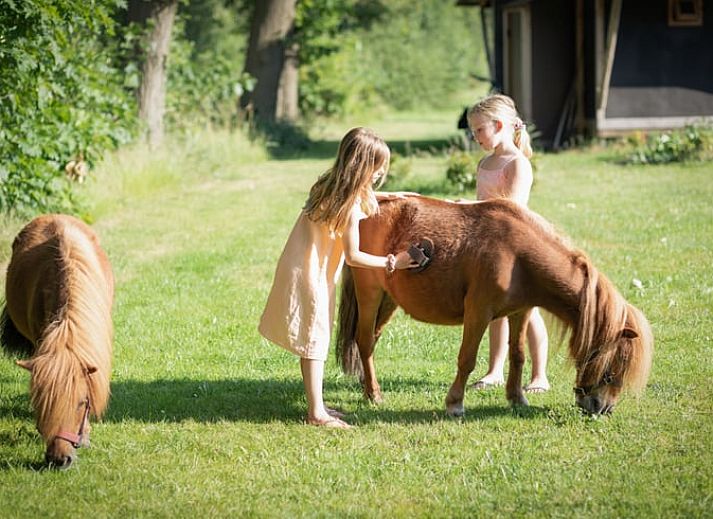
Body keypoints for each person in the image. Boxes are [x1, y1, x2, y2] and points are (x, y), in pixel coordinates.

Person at [258, 127, 419, 429]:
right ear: (362, 166)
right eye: (377, 169)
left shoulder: (327, 185)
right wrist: (393, 262)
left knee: (312, 337)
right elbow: (355, 256)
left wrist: (388, 195)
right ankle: (316, 413)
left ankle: (316, 402)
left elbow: (359, 194)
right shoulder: (351, 207)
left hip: (299, 265)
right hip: (313, 274)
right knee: (314, 340)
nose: (379, 174)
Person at [466, 94, 550, 394]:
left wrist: (470, 209)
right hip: (489, 244)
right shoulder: (485, 162)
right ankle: (494, 371)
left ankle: (540, 375)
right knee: (493, 309)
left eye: (479, 130)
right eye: (473, 131)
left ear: (499, 125)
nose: (475, 136)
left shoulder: (518, 164)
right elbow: (481, 203)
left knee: (528, 311)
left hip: (514, 244)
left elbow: (511, 210)